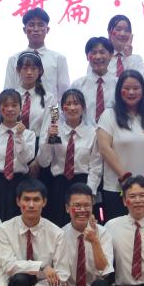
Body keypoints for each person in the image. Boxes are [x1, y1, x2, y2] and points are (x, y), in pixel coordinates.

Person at [51, 184, 114, 286]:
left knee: (102, 285)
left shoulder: (103, 232)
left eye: (87, 205)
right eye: (77, 206)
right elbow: (60, 278)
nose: (82, 210)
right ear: (67, 208)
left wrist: (94, 241)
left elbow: (104, 270)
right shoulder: (59, 235)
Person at [96, 70, 144, 222]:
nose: (131, 92)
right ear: (119, 90)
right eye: (126, 88)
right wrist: (126, 178)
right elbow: (104, 148)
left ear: (143, 90)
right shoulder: (109, 115)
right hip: (116, 188)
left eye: (136, 88)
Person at [36, 89, 103, 225]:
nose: (72, 107)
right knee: (58, 225)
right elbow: (44, 162)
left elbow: (95, 166)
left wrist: (90, 192)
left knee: (82, 226)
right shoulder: (55, 130)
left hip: (83, 184)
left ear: (83, 107)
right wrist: (47, 140)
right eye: (68, 104)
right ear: (62, 108)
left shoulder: (92, 133)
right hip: (59, 185)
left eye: (76, 103)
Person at [0, 89, 37, 222]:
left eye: (14, 105)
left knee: (18, 224)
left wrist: (19, 137)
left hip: (19, 183)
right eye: (5, 105)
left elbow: (26, 159)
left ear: (20, 108)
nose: (10, 109)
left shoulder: (29, 135)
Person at [3, 8, 70, 99]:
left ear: (47, 29)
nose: (36, 29)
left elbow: (64, 94)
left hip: (50, 106)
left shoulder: (59, 59)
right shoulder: (14, 59)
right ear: (24, 29)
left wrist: (56, 109)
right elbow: (8, 92)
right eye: (31, 25)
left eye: (40, 25)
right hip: (21, 107)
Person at [70, 37, 118, 126]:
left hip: (112, 133)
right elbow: (65, 111)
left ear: (111, 55)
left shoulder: (119, 85)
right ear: (87, 56)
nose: (98, 57)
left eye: (102, 52)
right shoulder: (77, 85)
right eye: (93, 53)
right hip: (84, 133)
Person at [11, 50, 55, 141]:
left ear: (40, 71)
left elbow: (52, 126)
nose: (29, 72)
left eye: (33, 68)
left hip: (40, 144)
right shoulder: (11, 97)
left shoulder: (50, 98)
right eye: (25, 68)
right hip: (14, 143)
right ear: (18, 70)